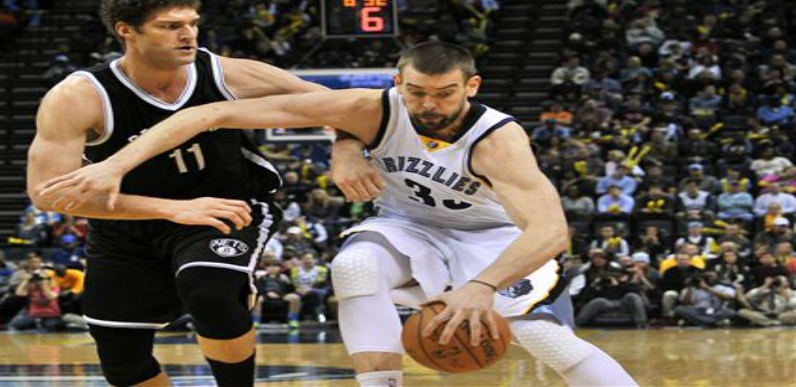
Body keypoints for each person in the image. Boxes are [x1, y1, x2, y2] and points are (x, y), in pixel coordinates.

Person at [39, 41, 635, 386]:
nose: (429, 105)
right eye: (417, 92)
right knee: (354, 269)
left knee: (541, 340)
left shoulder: (497, 140)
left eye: (445, 93)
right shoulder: (365, 106)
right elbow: (207, 116)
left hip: (491, 239)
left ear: (471, 86)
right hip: (408, 229)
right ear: (397, 82)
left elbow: (551, 229)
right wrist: (115, 166)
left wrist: (481, 287)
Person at [25, 0, 325, 387]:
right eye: (170, 26)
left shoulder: (225, 73)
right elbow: (47, 195)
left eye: (193, 23)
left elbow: (342, 106)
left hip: (222, 208)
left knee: (210, 292)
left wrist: (345, 152)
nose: (188, 35)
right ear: (126, 30)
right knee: (122, 363)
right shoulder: (79, 97)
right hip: (124, 227)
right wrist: (172, 209)